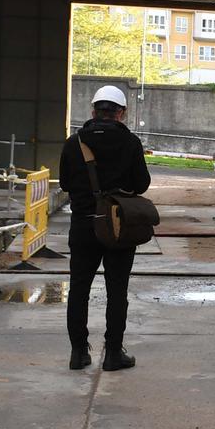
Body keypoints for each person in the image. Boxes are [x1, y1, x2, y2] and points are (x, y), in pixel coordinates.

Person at [58, 84, 151, 372]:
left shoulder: (74, 143)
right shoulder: (131, 143)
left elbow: (63, 184)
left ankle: (78, 353)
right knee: (116, 291)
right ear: (121, 113)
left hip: (83, 226)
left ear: (94, 110)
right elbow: (142, 184)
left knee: (79, 290)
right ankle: (113, 353)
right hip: (118, 228)